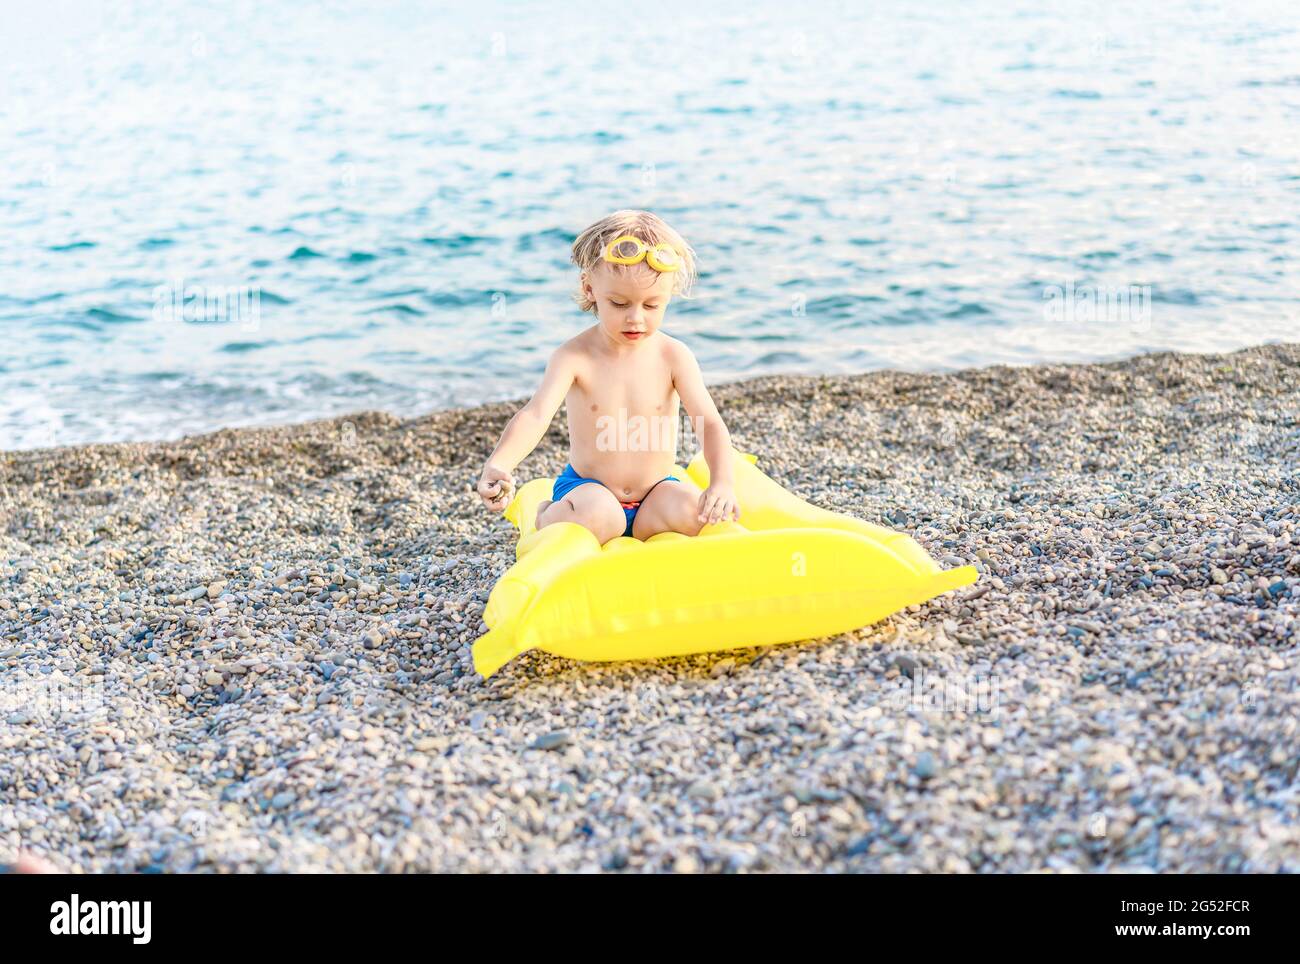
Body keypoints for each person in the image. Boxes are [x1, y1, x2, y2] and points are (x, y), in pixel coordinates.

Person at [476, 210, 740, 542]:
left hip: (655, 492)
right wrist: (500, 463)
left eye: (651, 305)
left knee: (697, 514)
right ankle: (546, 514)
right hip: (590, 491)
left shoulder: (674, 356)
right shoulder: (574, 357)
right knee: (601, 515)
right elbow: (536, 415)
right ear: (589, 288)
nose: (635, 319)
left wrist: (722, 482)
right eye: (618, 303)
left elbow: (710, 423)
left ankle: (642, 527)